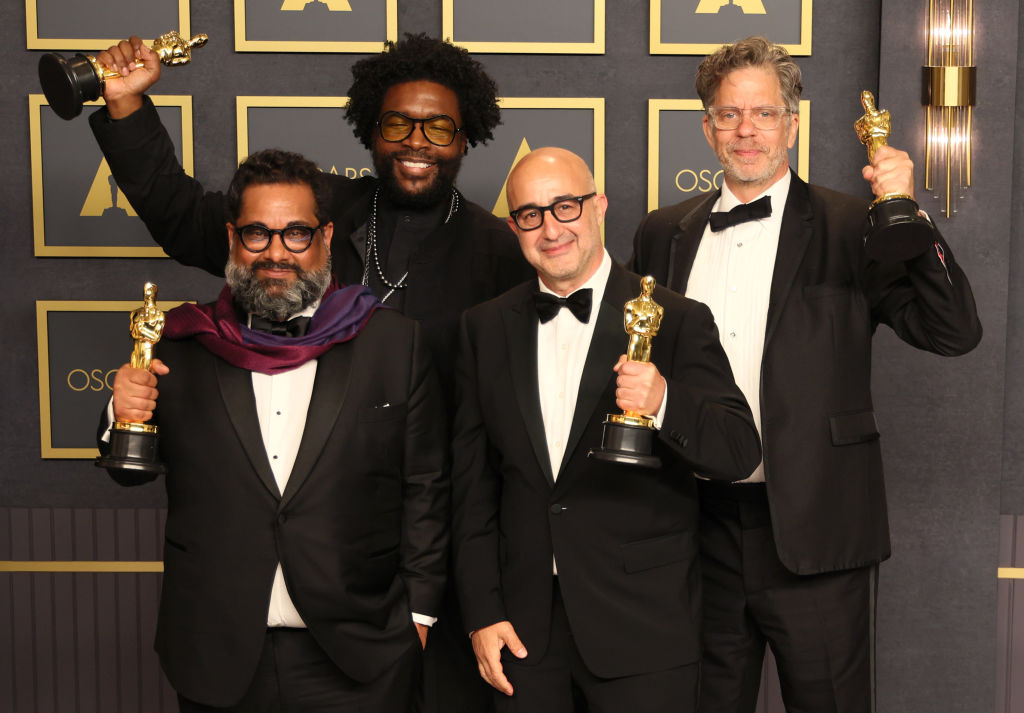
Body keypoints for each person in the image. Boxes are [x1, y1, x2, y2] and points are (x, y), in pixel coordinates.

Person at [89, 32, 533, 712]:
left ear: (466, 135)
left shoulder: (501, 251)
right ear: (370, 133)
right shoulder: (304, 217)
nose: (417, 141)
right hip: (308, 564)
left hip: (447, 549)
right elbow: (180, 214)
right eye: (396, 124)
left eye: (439, 127)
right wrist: (126, 108)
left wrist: (430, 600)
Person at [630, 36, 982, 713]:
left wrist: (908, 209)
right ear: (707, 129)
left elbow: (953, 331)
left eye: (764, 113)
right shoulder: (662, 233)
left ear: (792, 124)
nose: (746, 130)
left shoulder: (855, 224)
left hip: (818, 531)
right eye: (729, 114)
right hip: (695, 530)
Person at [98, 149, 448, 712]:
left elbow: (426, 487)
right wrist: (122, 413)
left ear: (326, 237)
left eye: (296, 233)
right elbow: (129, 473)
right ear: (233, 238)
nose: (277, 253)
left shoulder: (393, 344)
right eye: (258, 234)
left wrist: (421, 616)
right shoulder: (179, 347)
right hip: (218, 651)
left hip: (360, 654)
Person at [451, 147, 762, 713]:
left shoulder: (676, 318)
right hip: (522, 633)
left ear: (598, 207)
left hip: (643, 626)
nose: (550, 229)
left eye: (565, 206)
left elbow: (739, 451)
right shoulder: (483, 327)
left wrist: (665, 402)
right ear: (514, 227)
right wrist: (482, 614)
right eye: (530, 214)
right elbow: (473, 487)